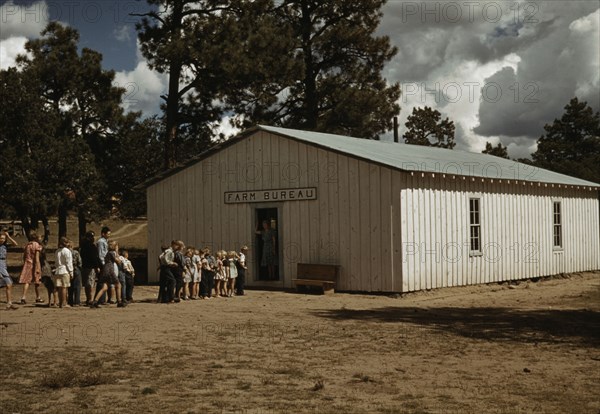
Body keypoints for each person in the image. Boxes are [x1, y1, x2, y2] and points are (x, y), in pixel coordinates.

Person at [91, 241, 126, 308]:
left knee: (105, 287)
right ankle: (119, 301)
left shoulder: (108, 253)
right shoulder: (112, 253)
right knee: (118, 285)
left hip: (105, 270)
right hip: (110, 270)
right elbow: (117, 261)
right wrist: (117, 254)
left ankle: (95, 301)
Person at [18, 231, 43, 304]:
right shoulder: (37, 245)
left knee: (27, 281)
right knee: (37, 281)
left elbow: (24, 256)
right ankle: (38, 297)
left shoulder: (27, 245)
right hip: (34, 264)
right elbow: (37, 258)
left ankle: (23, 297)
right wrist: (38, 267)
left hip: (27, 263)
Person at [80, 231, 101, 306]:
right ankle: (90, 299)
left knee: (87, 283)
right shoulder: (92, 247)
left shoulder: (83, 246)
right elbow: (94, 258)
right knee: (90, 283)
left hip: (85, 266)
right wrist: (97, 266)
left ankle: (88, 298)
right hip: (90, 267)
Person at [0, 231, 18, 309]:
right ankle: (9, 303)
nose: (2, 240)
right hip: (0, 264)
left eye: (3, 238)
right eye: (1, 238)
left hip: (3, 263)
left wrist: (9, 236)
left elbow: (15, 244)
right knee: (9, 283)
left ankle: (9, 303)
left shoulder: (5, 246)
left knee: (8, 285)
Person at [54, 237, 73, 308]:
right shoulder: (67, 251)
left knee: (59, 287)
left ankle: (60, 302)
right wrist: (71, 272)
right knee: (64, 287)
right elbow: (69, 263)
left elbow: (56, 262)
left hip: (58, 270)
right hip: (65, 270)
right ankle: (64, 303)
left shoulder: (57, 251)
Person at [95, 227, 111, 304]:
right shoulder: (101, 242)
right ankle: (100, 299)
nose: (109, 235)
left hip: (105, 262)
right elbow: (101, 254)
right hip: (103, 263)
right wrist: (103, 264)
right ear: (103, 234)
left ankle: (102, 299)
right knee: (102, 281)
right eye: (108, 234)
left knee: (104, 281)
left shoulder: (105, 241)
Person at [39, 242, 56, 307]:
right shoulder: (42, 257)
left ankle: (53, 302)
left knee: (53, 289)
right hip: (47, 273)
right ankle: (51, 302)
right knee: (50, 290)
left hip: (47, 273)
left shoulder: (41, 256)